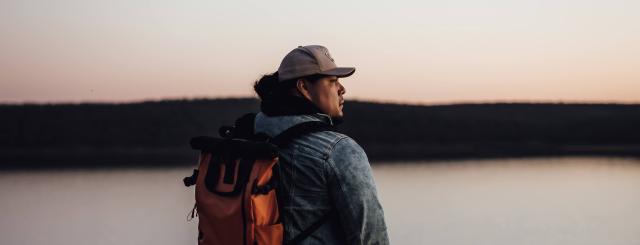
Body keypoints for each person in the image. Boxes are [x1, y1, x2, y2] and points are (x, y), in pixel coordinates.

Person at [252, 45, 389, 244]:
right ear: (304, 88)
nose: (342, 89)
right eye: (332, 81)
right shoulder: (338, 151)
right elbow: (370, 238)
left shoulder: (251, 134)